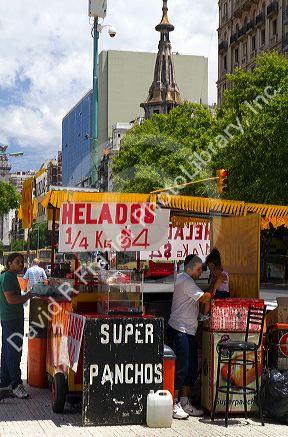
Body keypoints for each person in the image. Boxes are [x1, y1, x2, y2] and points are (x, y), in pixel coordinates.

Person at [167, 254, 224, 420]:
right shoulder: (185, 281)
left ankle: (184, 401)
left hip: (188, 330)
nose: (201, 273)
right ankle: (173, 403)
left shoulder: (187, 281)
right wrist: (216, 283)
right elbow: (206, 298)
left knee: (190, 368)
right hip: (180, 330)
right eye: (199, 269)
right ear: (190, 268)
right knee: (181, 368)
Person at [0, 253, 32, 398]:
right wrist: (28, 296)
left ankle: (4, 380)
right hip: (11, 318)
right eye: (17, 262)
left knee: (7, 350)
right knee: (14, 351)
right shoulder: (7, 277)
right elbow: (11, 299)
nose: (21, 264)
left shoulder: (9, 276)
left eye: (22, 262)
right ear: (9, 263)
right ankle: (16, 385)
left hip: (10, 318)